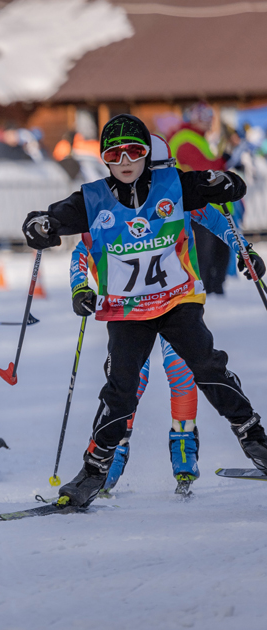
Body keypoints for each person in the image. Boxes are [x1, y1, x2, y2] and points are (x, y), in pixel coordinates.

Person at [22, 114, 265, 508]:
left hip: (176, 300)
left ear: (147, 153)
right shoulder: (93, 198)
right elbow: (54, 218)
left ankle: (254, 437)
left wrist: (229, 185)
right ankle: (95, 469)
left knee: (206, 367)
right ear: (104, 159)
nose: (126, 160)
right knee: (121, 389)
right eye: (115, 154)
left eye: (135, 151)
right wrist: (40, 225)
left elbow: (225, 189)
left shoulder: (175, 185)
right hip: (126, 310)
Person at [68, 135, 208, 496]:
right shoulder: (110, 204)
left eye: (163, 170)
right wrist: (80, 288)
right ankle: (114, 451)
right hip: (132, 311)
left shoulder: (174, 195)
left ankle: (183, 447)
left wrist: (244, 251)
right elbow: (81, 250)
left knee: (182, 371)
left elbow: (215, 217)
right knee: (131, 382)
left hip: (176, 302)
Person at [169, 102, 236, 295]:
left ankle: (214, 289)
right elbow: (203, 170)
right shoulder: (185, 139)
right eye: (206, 118)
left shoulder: (198, 139)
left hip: (211, 206)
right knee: (204, 254)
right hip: (199, 208)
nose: (210, 123)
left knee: (220, 252)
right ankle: (205, 291)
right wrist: (222, 160)